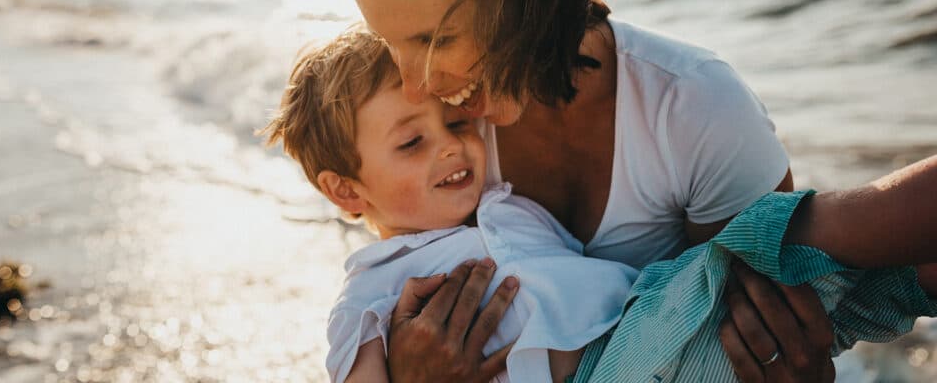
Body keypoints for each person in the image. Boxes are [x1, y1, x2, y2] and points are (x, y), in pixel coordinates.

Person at [325, 0, 826, 381]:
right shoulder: (437, 138)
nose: (416, 83)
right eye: (390, 43)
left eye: (435, 39)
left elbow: (764, 330)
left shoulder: (693, 110)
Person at [263, 28, 936, 383]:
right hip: (615, 365)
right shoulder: (370, 295)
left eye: (456, 124)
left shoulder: (507, 204)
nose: (451, 148)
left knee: (857, 291)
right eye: (411, 142)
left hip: (659, 335)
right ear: (345, 190)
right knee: (773, 244)